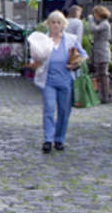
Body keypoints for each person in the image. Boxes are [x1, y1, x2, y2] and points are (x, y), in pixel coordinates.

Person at [29, 10, 87, 153]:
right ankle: (48, 140)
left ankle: (59, 139)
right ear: (48, 24)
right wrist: (34, 63)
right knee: (49, 109)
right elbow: (33, 59)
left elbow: (84, 55)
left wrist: (75, 63)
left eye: (58, 22)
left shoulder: (71, 39)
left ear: (63, 25)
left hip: (66, 80)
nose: (55, 25)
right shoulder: (42, 40)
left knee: (64, 111)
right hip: (48, 80)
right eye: (53, 22)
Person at [88, 5, 112, 103]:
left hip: (102, 52)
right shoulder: (103, 23)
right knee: (101, 75)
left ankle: (105, 97)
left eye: (95, 14)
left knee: (103, 75)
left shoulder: (104, 24)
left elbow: (93, 29)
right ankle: (105, 95)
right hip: (100, 51)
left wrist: (90, 20)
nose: (94, 16)